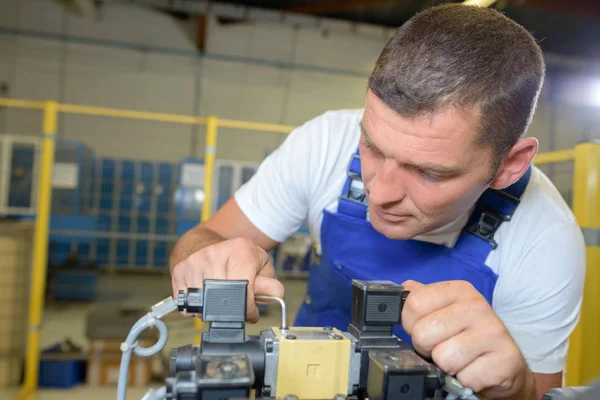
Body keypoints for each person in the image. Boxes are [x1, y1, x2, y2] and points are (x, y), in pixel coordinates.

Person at [169, 4, 586, 400]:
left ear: (508, 166)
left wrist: (513, 388)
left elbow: (536, 393)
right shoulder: (323, 142)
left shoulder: (545, 238)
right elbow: (207, 236)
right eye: (371, 145)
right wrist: (206, 257)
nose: (381, 193)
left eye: (429, 172)